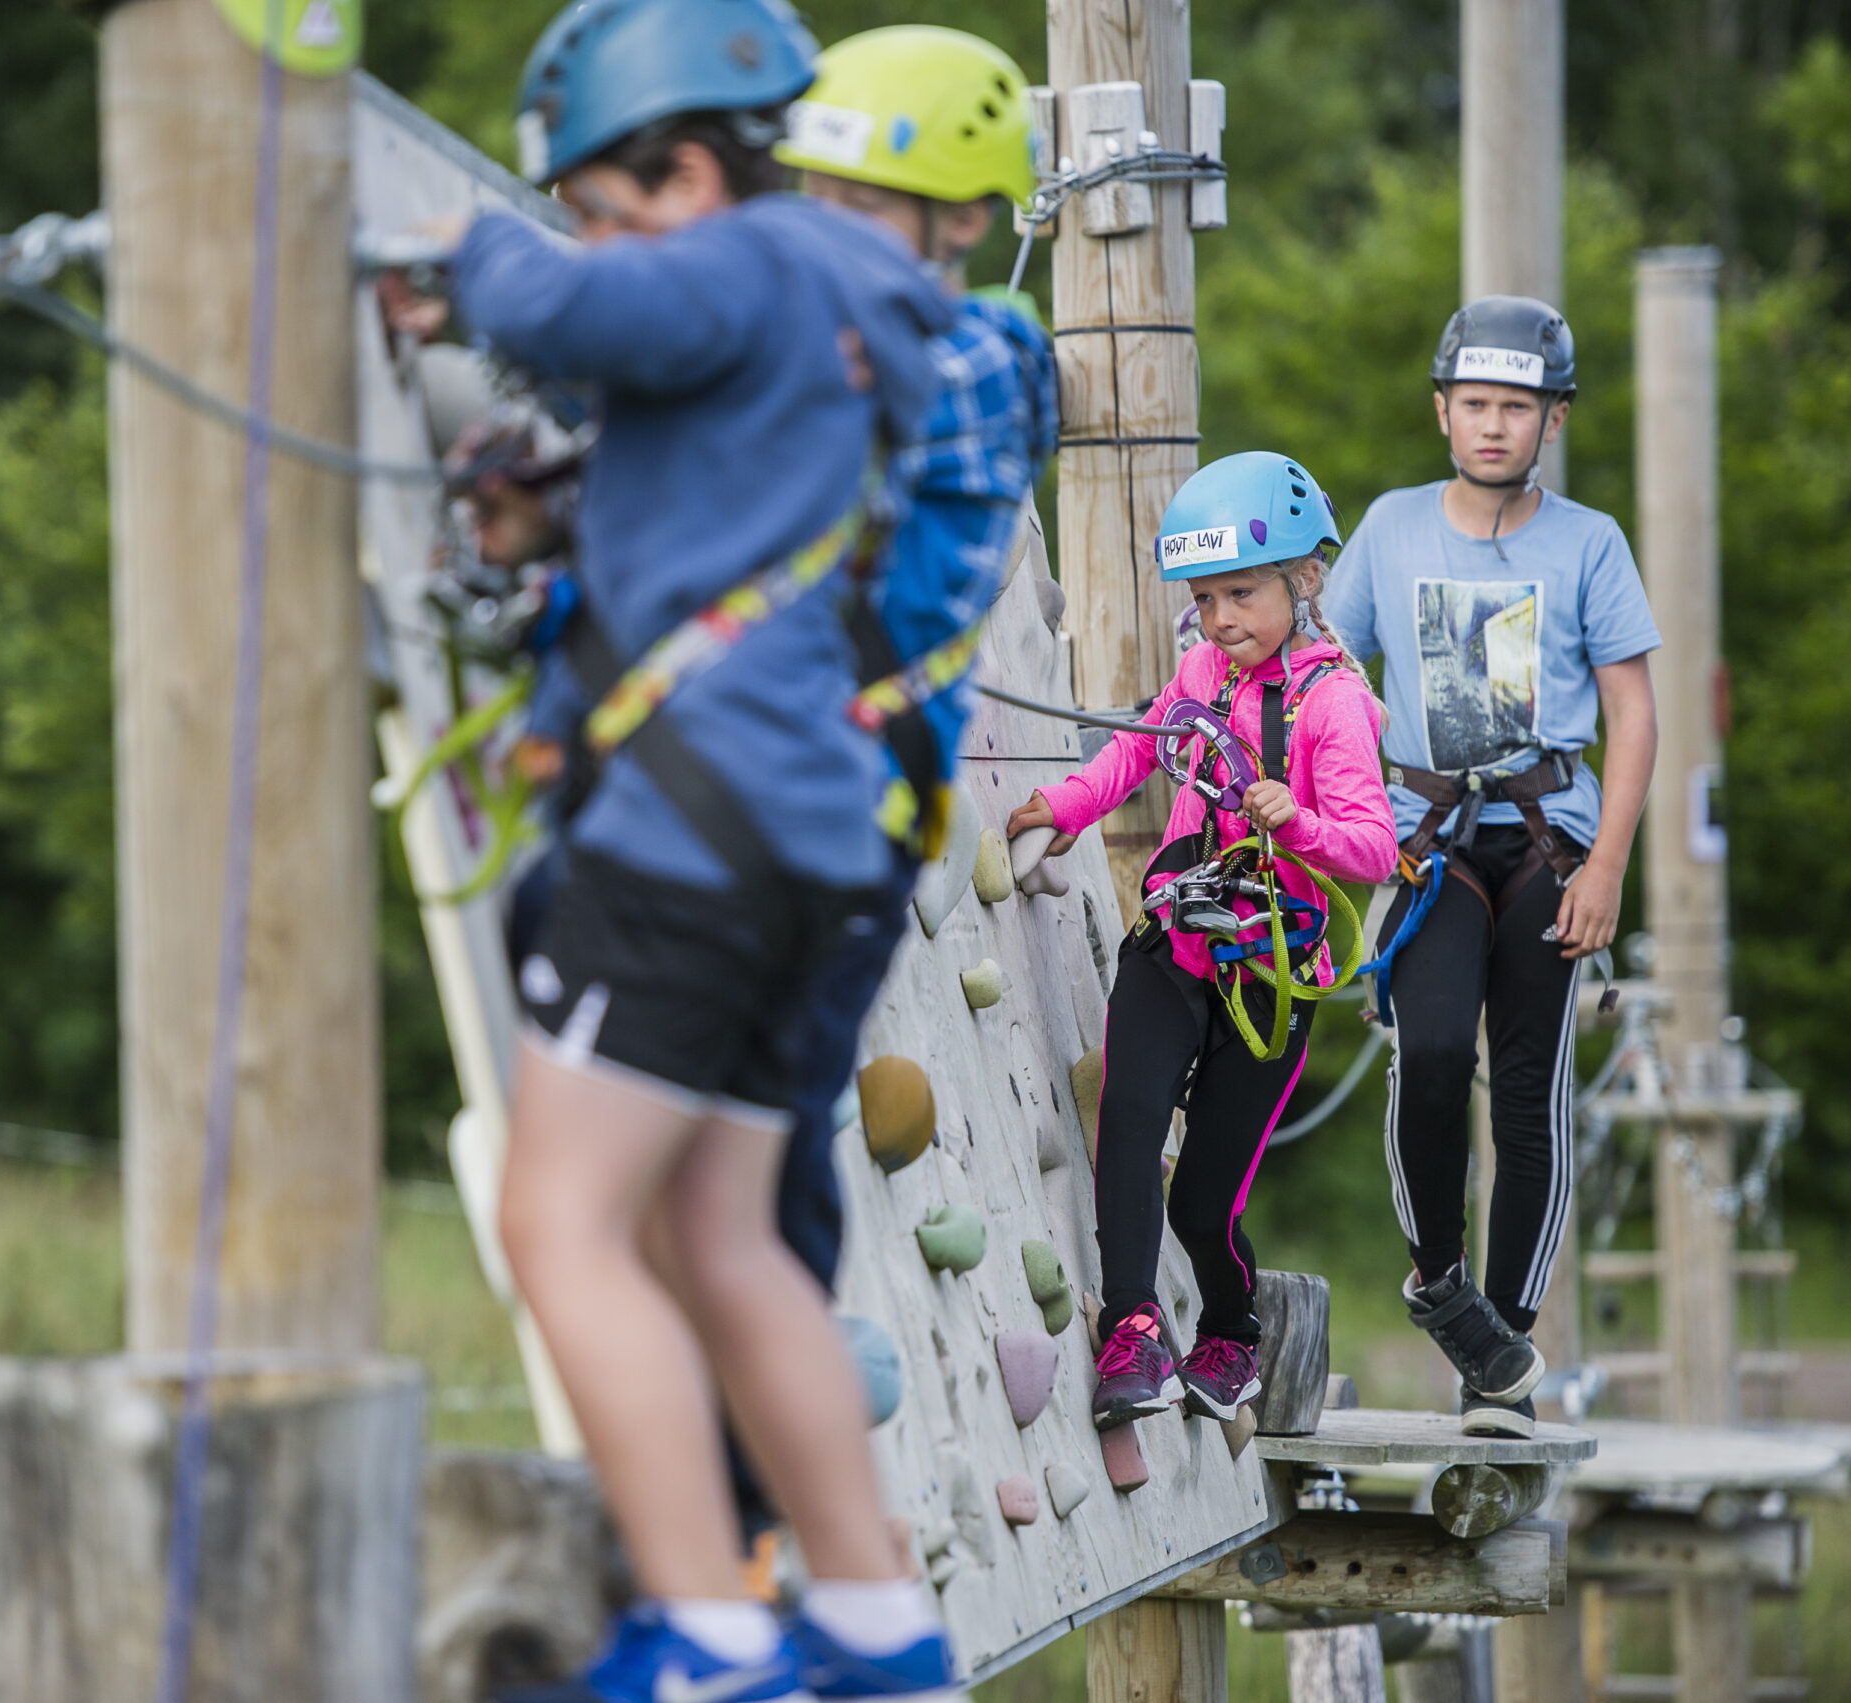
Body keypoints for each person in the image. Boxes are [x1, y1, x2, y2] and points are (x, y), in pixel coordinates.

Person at [445, 0, 968, 1698]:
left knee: (562, 1225)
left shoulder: (745, 257)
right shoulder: (850, 304)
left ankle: (710, 1630)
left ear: (682, 170)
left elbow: (545, 301)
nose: (589, 237)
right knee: (720, 1238)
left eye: (602, 200)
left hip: (683, 846)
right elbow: (703, 491)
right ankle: (877, 1616)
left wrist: (448, 242)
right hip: (803, 845)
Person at [762, 19, 1058, 1341]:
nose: (830, 226)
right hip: (791, 793)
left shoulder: (979, 357)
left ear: (964, 222)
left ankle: (780, 1500)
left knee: (765, 1162)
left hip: (861, 801)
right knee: (734, 1152)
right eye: (816, 194)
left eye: (867, 202)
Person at [1319, 296, 1660, 1438]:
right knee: (1428, 1053)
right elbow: (1322, 664)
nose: (1494, 425)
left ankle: (1499, 1355)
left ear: (1551, 420)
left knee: (1527, 1092)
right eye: (1475, 404)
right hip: (1426, 840)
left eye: (1517, 406)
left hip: (1551, 841)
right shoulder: (1393, 526)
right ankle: (1440, 1280)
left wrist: (1607, 863)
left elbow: (1633, 711)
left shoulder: (1589, 542)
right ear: (1441, 410)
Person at [1006, 452, 1396, 1432]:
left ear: (1306, 578)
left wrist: (1293, 819)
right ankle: (1132, 1329)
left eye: (1242, 594)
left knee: (1203, 1203)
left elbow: (1373, 846)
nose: (1222, 618)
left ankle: (1231, 1326)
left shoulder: (1334, 705)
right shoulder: (1203, 672)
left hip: (1269, 974)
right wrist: (1058, 803)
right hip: (1178, 939)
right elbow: (1136, 747)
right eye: (1205, 597)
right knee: (1129, 1125)